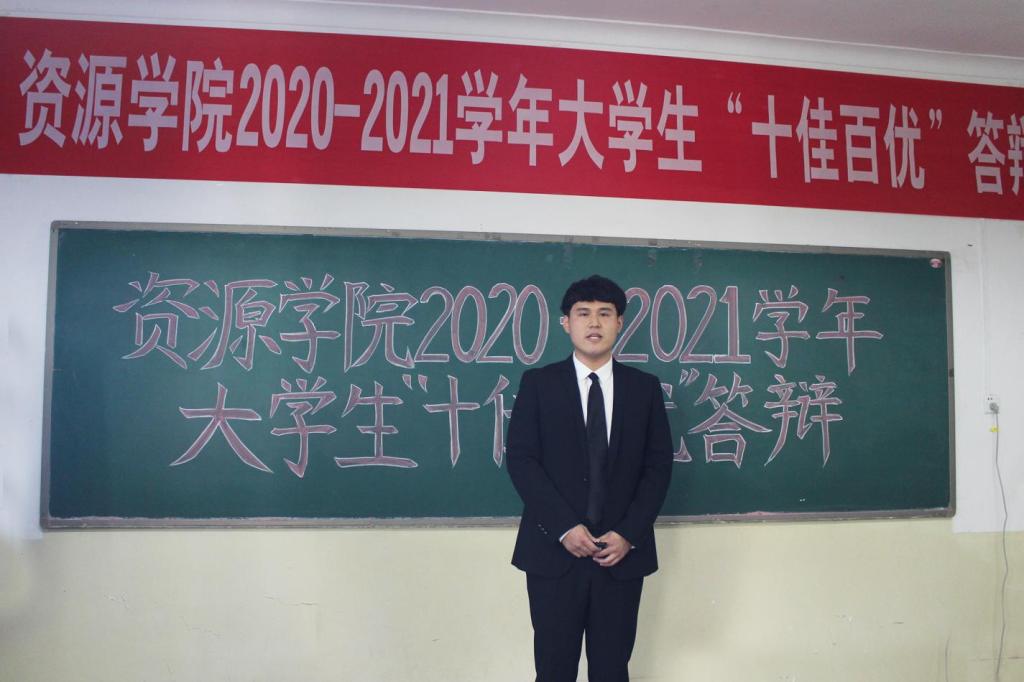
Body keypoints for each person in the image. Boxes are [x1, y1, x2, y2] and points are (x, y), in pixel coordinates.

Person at [507, 274, 674, 682]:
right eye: (583, 313)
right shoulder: (539, 384)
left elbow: (658, 467)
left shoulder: (644, 388)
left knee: (612, 670)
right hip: (554, 553)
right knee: (553, 670)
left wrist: (629, 533)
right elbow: (522, 460)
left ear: (620, 322)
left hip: (620, 555)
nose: (594, 323)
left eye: (605, 313)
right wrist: (564, 527)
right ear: (566, 322)